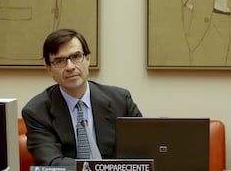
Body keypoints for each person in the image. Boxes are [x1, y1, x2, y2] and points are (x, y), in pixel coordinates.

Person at [22, 28, 142, 167]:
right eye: (59, 61)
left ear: (88, 58)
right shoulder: (36, 111)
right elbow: (51, 163)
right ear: (49, 68)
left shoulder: (121, 100)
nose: (70, 67)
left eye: (76, 56)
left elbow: (143, 151)